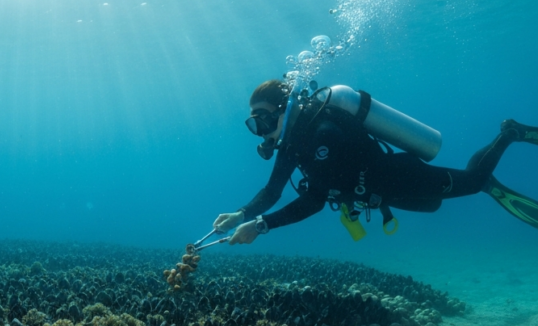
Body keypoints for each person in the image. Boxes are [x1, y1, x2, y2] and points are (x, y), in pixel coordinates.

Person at [213, 79, 538, 244]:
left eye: (263, 121)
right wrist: (241, 213)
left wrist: (260, 226)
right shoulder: (292, 143)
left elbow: (314, 199)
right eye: (253, 125)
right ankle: (486, 177)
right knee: (434, 206)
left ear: (285, 109)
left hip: (400, 177)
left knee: (473, 181)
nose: (260, 133)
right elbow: (272, 190)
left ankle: (509, 133)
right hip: (379, 194)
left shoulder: (323, 132)